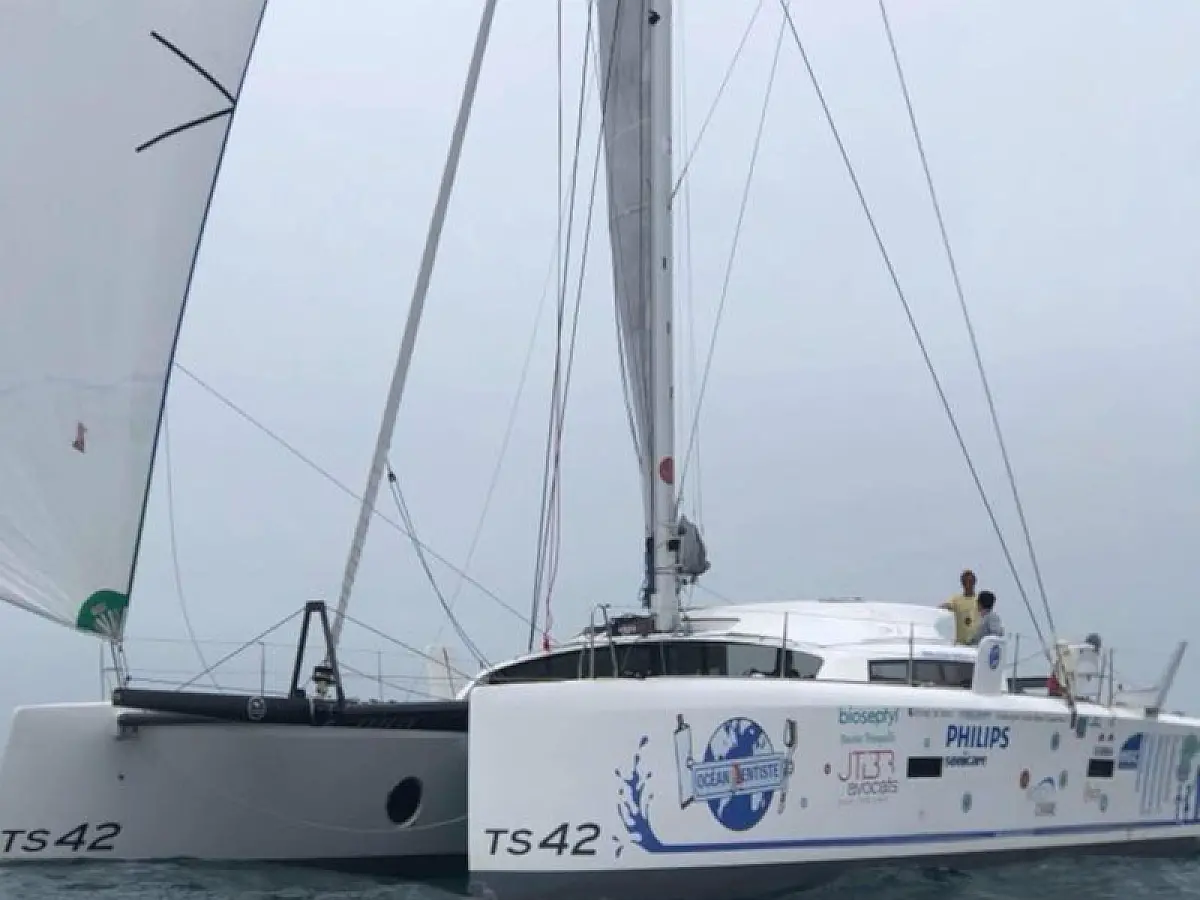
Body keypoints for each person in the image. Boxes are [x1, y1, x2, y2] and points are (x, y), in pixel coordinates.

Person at [940, 569, 979, 645]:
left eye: (970, 582)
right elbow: (947, 606)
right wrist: (944, 607)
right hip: (959, 644)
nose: (968, 584)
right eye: (965, 582)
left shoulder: (979, 600)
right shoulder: (955, 599)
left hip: (975, 644)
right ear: (962, 583)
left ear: (974, 582)